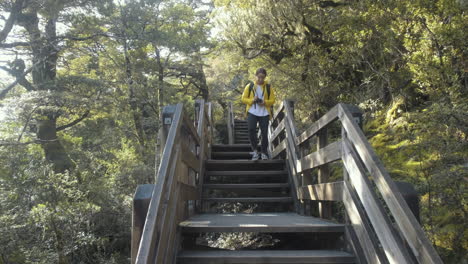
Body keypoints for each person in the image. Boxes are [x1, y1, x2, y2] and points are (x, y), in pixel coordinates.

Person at [241, 68, 276, 160]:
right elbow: (243, 99)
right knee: (251, 130)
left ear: (265, 77)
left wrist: (265, 102)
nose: (260, 79)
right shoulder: (250, 86)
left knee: (264, 133)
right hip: (252, 111)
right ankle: (255, 151)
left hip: (264, 113)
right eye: (259, 77)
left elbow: (273, 100)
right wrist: (252, 100)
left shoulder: (268, 87)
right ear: (256, 76)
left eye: (263, 77)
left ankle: (264, 152)